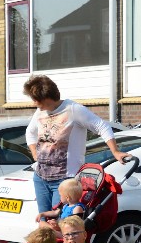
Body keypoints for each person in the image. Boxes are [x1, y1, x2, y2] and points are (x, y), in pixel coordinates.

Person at [24, 75, 129, 217]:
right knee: (43, 221)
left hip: (64, 179)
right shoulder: (40, 112)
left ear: (46, 97)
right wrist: (35, 154)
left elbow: (101, 126)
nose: (33, 103)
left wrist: (115, 151)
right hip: (41, 177)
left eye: (35, 99)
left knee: (61, 223)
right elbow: (30, 133)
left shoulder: (73, 109)